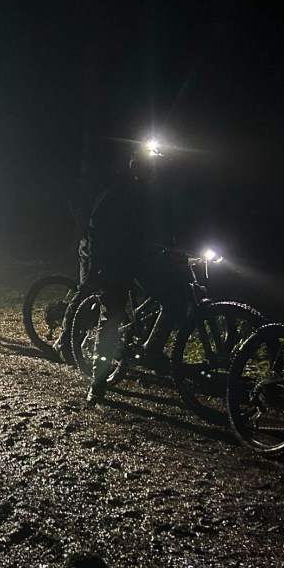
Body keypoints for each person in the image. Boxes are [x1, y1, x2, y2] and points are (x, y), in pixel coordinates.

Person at [83, 144, 193, 406]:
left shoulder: (151, 193)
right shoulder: (117, 191)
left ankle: (151, 350)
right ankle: (98, 383)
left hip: (142, 263)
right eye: (144, 166)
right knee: (111, 320)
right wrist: (96, 267)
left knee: (174, 299)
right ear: (136, 166)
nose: (149, 172)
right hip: (116, 265)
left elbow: (165, 226)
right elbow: (96, 229)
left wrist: (175, 247)